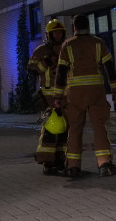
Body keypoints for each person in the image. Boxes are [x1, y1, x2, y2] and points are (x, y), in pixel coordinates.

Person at [50, 15, 116, 178]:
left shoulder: (67, 45)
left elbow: (61, 73)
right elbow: (109, 67)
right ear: (88, 26)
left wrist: (57, 97)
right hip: (96, 91)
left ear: (74, 28)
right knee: (99, 126)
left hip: (75, 94)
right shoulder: (98, 43)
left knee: (75, 128)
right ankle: (104, 164)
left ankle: (73, 167)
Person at [28, 18, 68, 175]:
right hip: (47, 96)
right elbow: (31, 70)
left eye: (60, 32)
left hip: (65, 95)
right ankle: (47, 161)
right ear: (48, 34)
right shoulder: (41, 50)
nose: (58, 35)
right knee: (50, 128)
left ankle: (61, 160)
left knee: (65, 128)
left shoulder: (66, 49)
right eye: (55, 33)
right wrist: (45, 62)